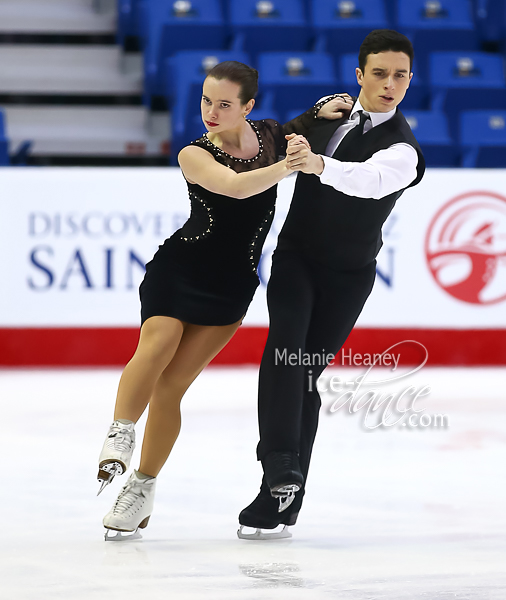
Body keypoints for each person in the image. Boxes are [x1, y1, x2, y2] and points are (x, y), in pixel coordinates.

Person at [96, 60, 349, 540]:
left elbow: (300, 125)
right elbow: (234, 187)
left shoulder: (270, 135)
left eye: (224, 104)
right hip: (180, 268)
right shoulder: (194, 152)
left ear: (247, 108)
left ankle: (141, 489)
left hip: (232, 286)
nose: (211, 112)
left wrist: (324, 109)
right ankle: (121, 430)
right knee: (159, 340)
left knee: (171, 389)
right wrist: (291, 165)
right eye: (206, 101)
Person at [238, 30, 426, 540]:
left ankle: (282, 496)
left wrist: (318, 164)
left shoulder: (404, 149)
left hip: (348, 276)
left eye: (401, 75)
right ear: (359, 74)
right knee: (284, 350)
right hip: (296, 259)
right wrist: (314, 117)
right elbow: (279, 137)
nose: (391, 84)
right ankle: (279, 463)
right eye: (381, 73)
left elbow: (368, 181)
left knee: (304, 373)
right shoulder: (332, 118)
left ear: (410, 80)